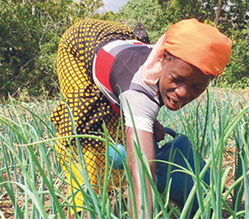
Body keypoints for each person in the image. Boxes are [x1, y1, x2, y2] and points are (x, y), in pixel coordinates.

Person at [50, 18, 231, 218]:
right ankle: (84, 203)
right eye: (176, 79)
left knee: (127, 128)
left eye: (197, 87)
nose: (182, 93)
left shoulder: (174, 64)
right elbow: (143, 171)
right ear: (162, 59)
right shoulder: (138, 92)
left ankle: (115, 180)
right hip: (79, 43)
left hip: (118, 41)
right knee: (85, 126)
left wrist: (148, 122)